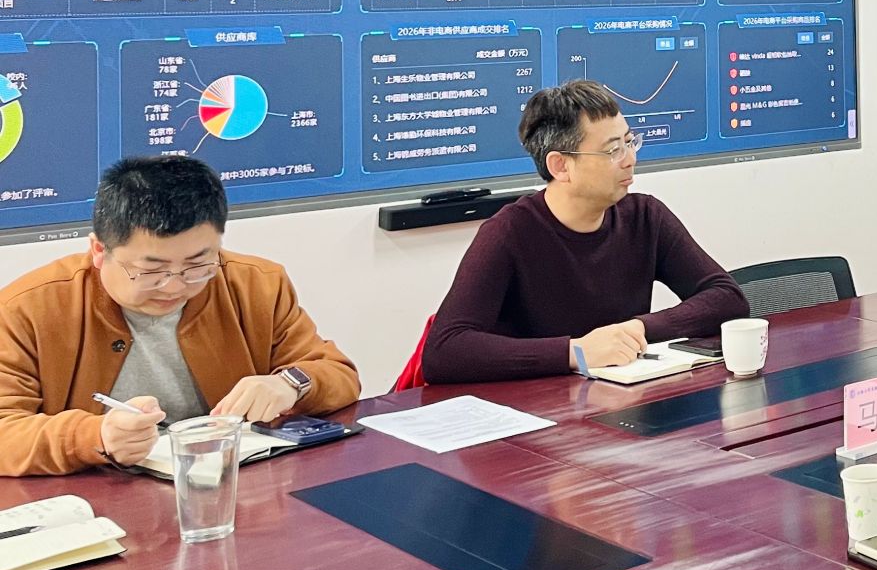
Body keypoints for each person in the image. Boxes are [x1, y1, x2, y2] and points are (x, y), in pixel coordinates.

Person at [0, 155, 359, 477]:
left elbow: (337, 374)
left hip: (232, 485)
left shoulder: (257, 284)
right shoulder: (28, 309)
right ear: (98, 249)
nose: (174, 287)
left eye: (197, 266)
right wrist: (96, 436)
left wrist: (289, 385)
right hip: (99, 497)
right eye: (151, 270)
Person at [423, 81, 746, 382]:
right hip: (537, 408)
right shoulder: (509, 232)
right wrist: (575, 352)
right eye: (613, 150)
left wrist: (637, 330)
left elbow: (727, 298)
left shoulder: (645, 217)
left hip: (620, 402)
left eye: (630, 142)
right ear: (560, 166)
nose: (630, 159)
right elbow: (445, 351)